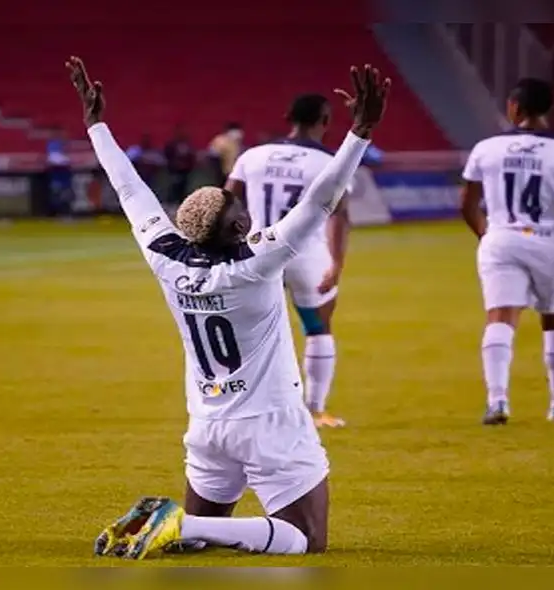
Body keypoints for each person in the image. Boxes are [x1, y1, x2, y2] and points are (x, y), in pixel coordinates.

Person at [64, 57, 389, 558]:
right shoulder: (256, 262)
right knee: (307, 540)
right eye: (241, 209)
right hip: (269, 422)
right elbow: (320, 201)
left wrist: (96, 125)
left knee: (199, 537)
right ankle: (179, 521)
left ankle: (176, 526)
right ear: (238, 227)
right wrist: (360, 133)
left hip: (207, 424)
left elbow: (130, 190)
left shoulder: (166, 257)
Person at [460, 78, 554, 426]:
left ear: (515, 107)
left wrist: (487, 234)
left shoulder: (486, 148)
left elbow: (467, 203)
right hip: (550, 242)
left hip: (501, 238)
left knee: (500, 317)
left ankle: (497, 401)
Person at [225, 94, 353, 428]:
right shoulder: (329, 162)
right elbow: (339, 215)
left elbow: (226, 203)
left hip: (258, 251)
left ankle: (246, 407)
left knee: (248, 331)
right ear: (325, 121)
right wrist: (336, 263)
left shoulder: (253, 155)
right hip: (304, 254)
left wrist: (229, 248)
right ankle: (315, 410)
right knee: (318, 329)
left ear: (287, 116)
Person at [163, 125, 197, 205]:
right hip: (175, 169)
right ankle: (171, 201)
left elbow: (191, 157)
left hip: (185, 170)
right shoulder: (172, 145)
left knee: (183, 186)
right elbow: (168, 155)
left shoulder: (188, 146)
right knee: (174, 185)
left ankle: (181, 201)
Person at [46, 130, 74, 217]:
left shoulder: (64, 148)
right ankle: (55, 213)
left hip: (64, 177)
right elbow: (53, 160)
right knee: (56, 195)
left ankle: (65, 212)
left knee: (65, 195)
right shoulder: (52, 147)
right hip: (57, 177)